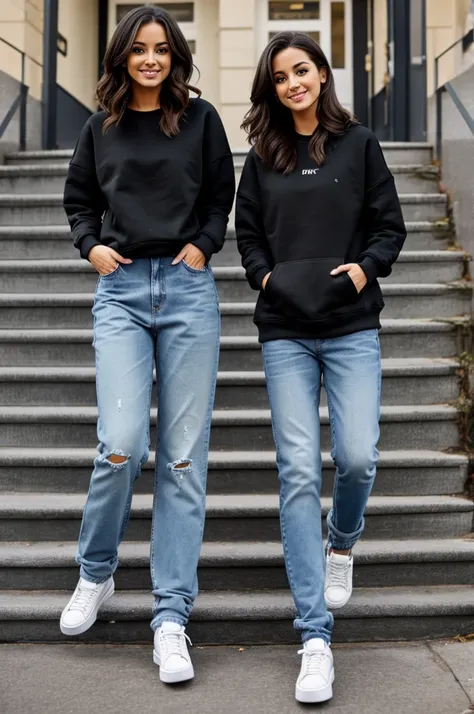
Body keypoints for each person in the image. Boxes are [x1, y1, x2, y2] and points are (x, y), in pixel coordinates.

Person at [60, 4, 235, 685]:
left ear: (176, 55)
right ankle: (96, 574)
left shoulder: (200, 119)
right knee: (122, 442)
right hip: (123, 293)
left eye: (163, 48)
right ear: (123, 57)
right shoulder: (99, 126)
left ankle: (171, 616)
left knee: (184, 460)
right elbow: (78, 200)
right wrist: (91, 246)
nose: (152, 59)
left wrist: (203, 246)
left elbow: (222, 197)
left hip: (188, 293)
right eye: (140, 49)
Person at [236, 31, 406, 704]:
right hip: (284, 333)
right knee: (300, 472)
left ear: (322, 74)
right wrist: (266, 278)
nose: (292, 84)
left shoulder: (359, 145)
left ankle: (343, 542)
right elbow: (247, 234)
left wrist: (365, 269)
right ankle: (314, 635)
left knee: (359, 457)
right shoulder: (262, 156)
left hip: (350, 327)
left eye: (301, 70)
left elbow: (388, 226)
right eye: (280, 77)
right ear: (272, 88)